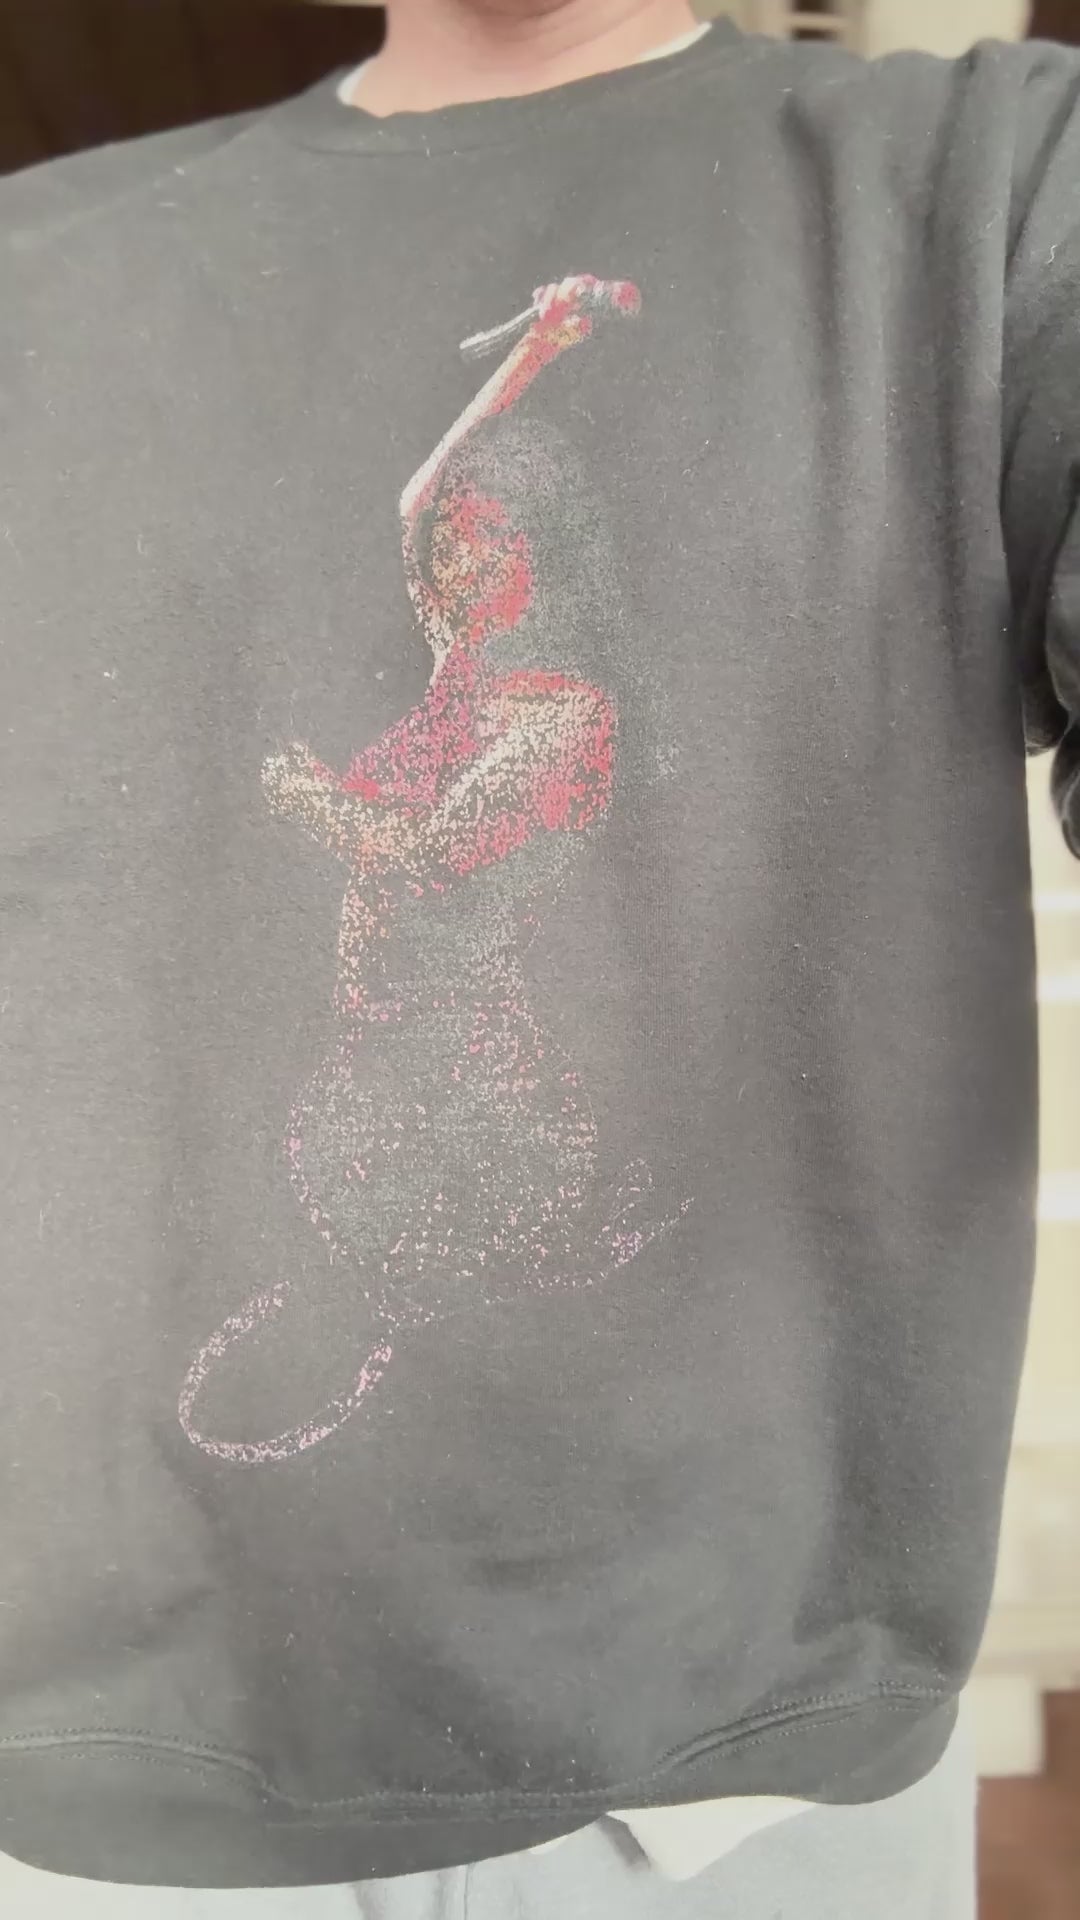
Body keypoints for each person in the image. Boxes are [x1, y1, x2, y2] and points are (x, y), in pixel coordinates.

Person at [0, 2, 1076, 1914]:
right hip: (98, 1778)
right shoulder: (39, 268)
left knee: (440, 1217)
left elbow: (434, 851)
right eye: (444, 556)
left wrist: (318, 810)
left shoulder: (987, 185)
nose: (446, 567)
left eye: (480, 552)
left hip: (735, 1787)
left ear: (539, 562)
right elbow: (425, 495)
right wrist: (534, 361)